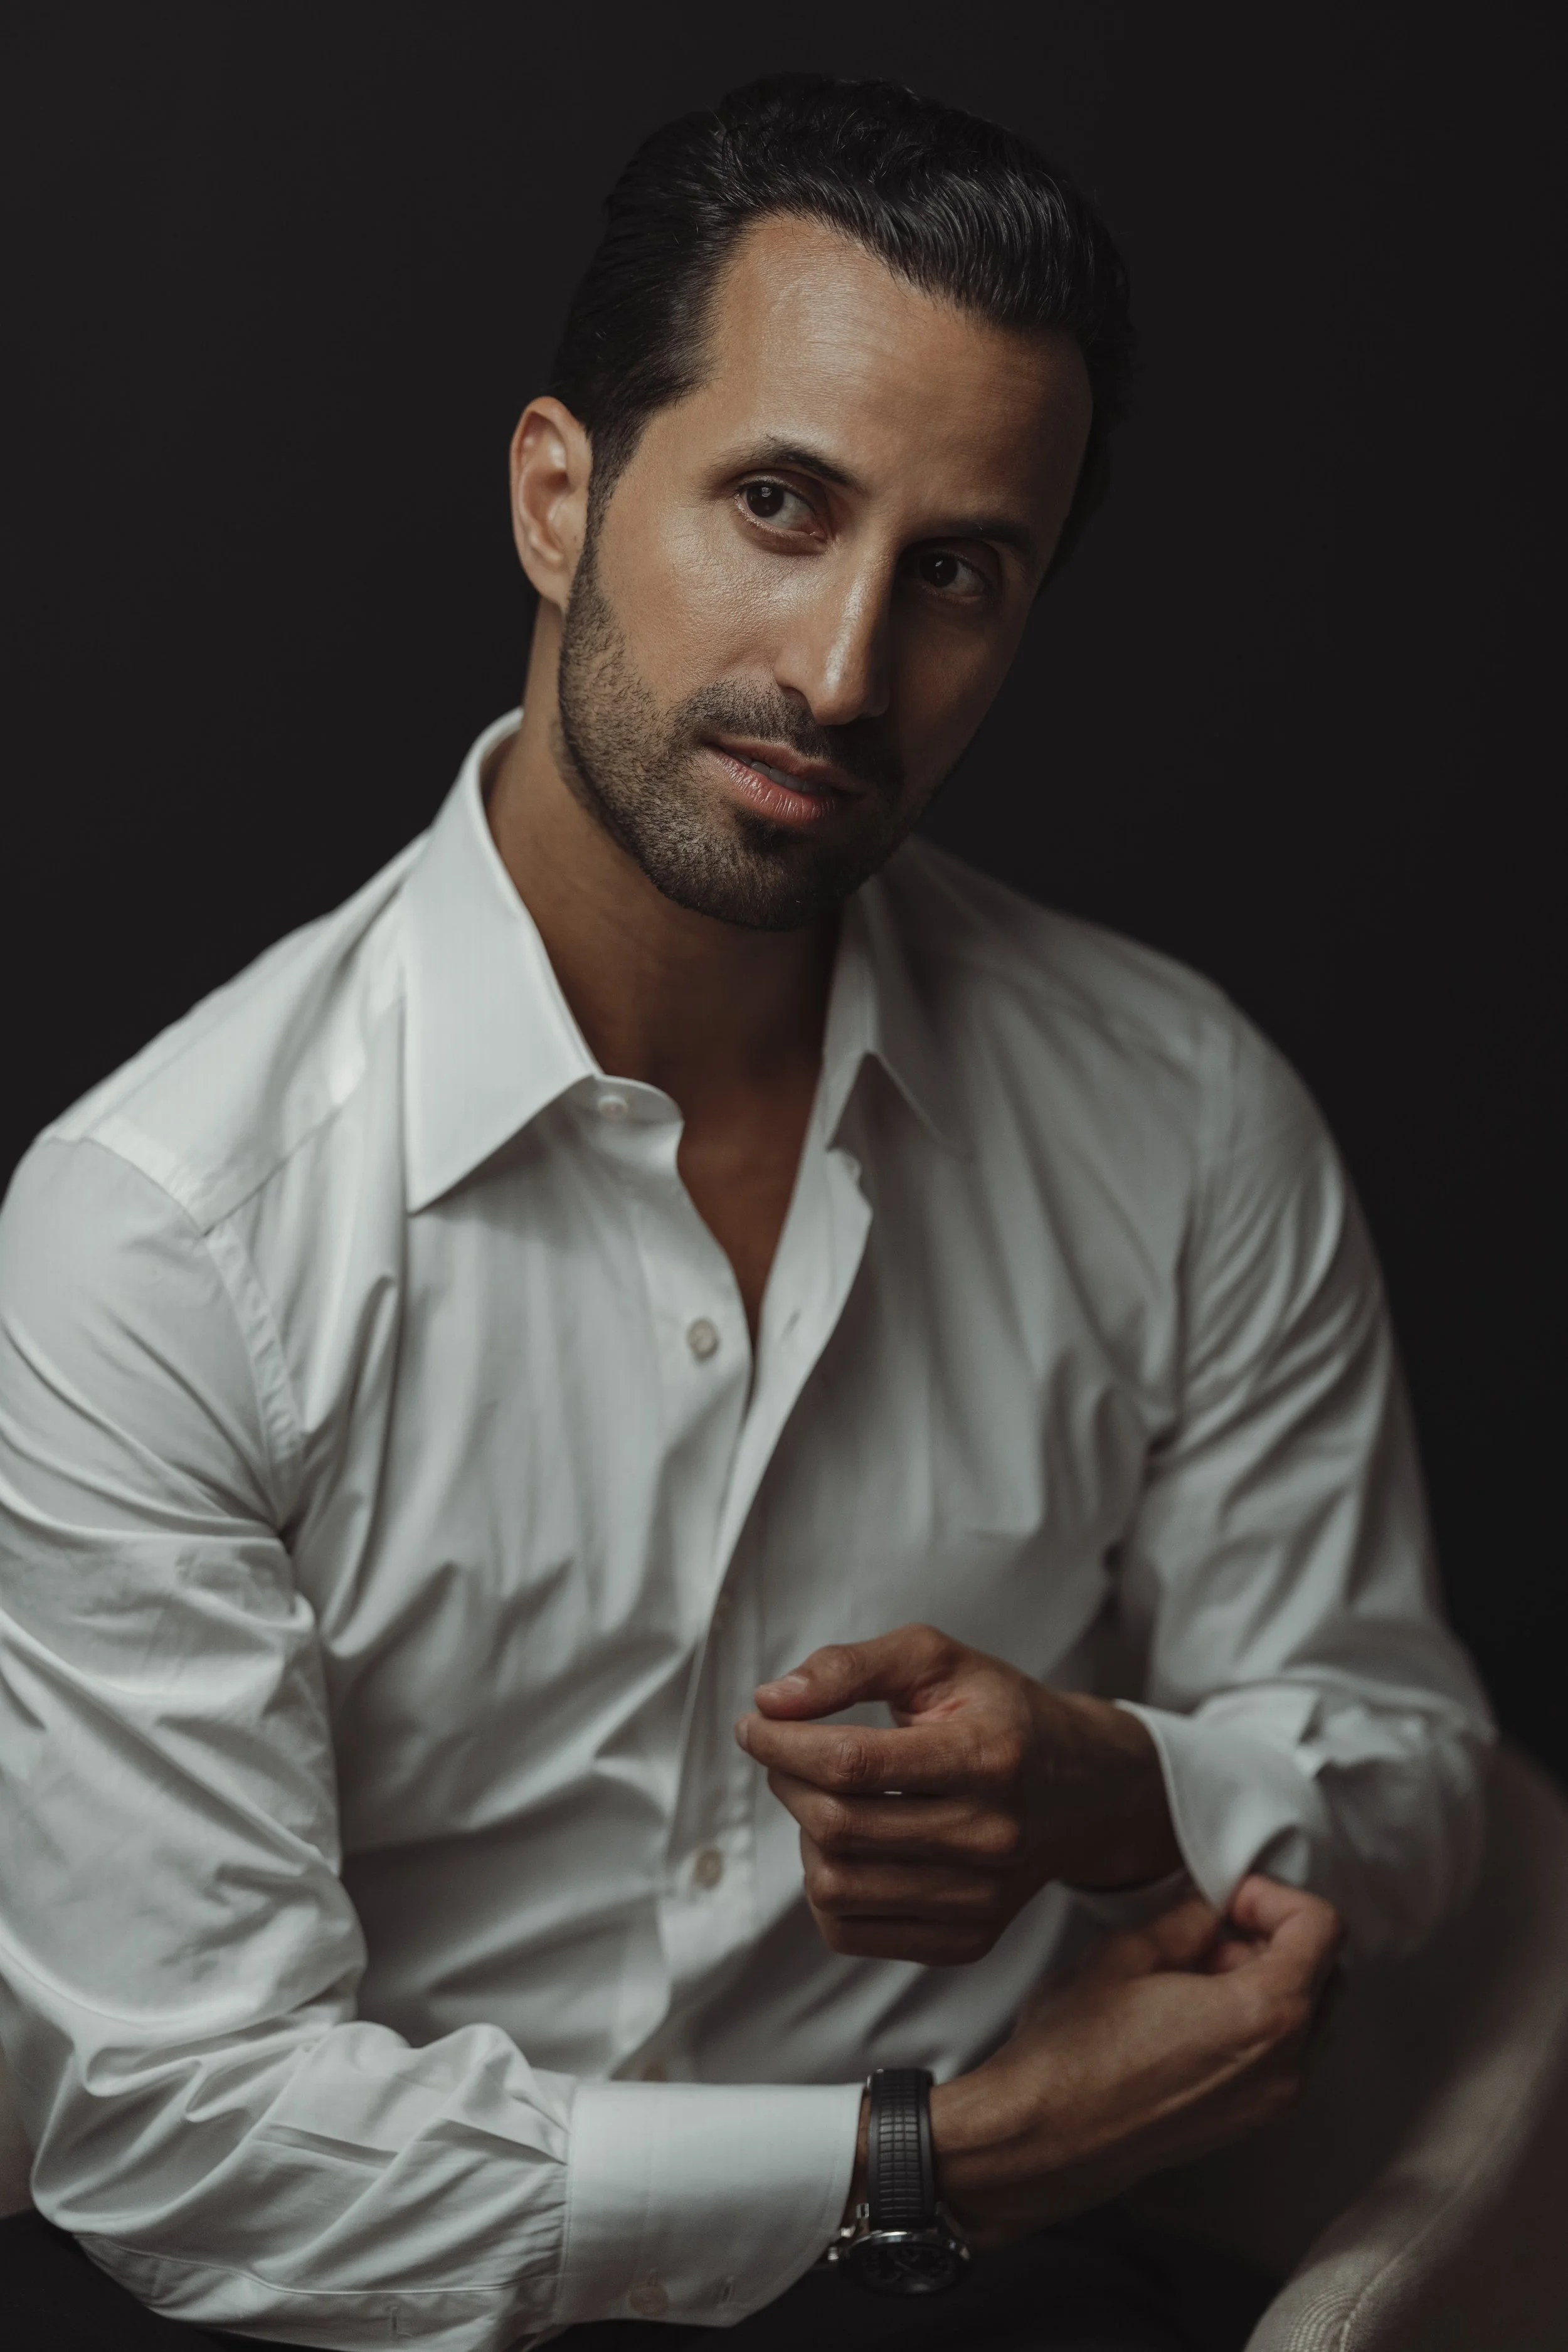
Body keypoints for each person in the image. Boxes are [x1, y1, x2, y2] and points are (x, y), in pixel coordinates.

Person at [0, 71, 1491, 2352]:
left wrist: (1121, 1791)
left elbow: (1415, 1782)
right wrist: (938, 2158)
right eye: (778, 504)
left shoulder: (1180, 1115)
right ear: (558, 494)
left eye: (958, 571)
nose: (842, 668)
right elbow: (187, 2124)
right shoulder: (164, 1235)